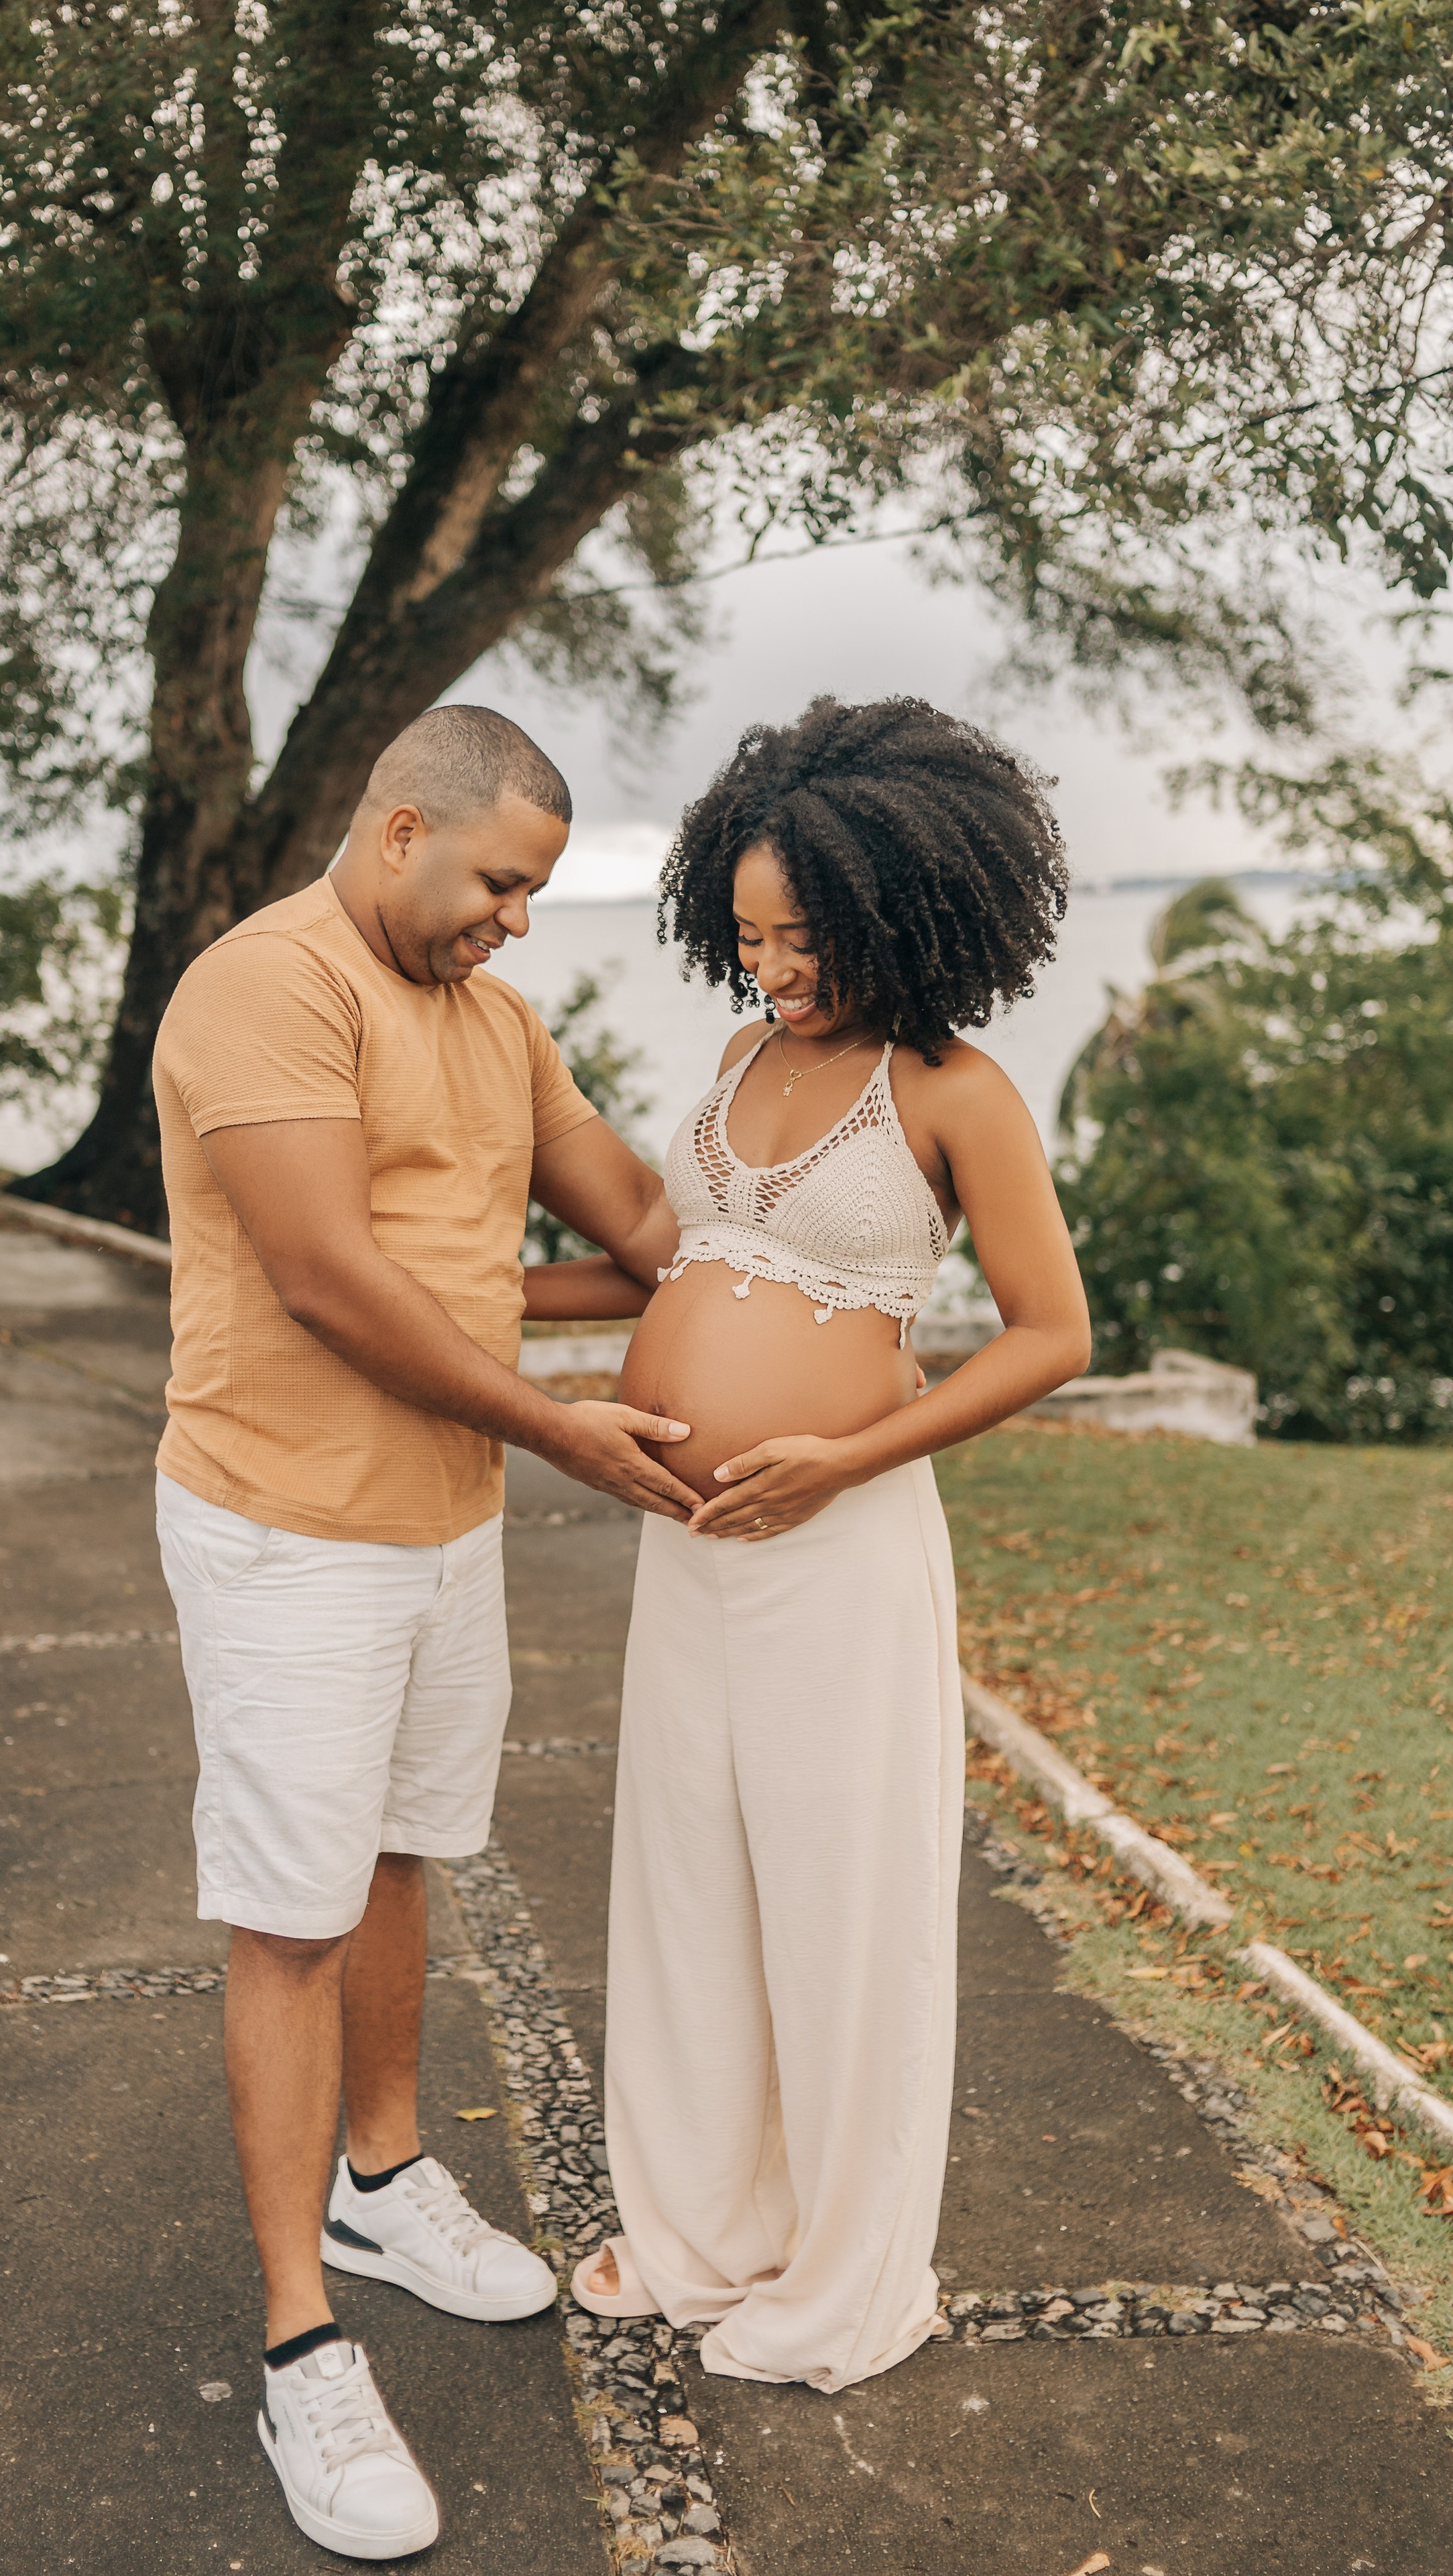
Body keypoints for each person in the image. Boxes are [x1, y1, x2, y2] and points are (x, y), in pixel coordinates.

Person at [151, 706, 699, 2559]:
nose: (518, 922)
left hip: (442, 1516)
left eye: (539, 893)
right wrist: (558, 1421)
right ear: (399, 834)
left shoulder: (499, 1022)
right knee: (290, 1911)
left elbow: (634, 1223)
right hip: (286, 1525)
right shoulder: (265, 989)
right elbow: (323, 1275)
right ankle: (304, 2342)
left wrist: (832, 1103)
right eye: (502, 883)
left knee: (399, 1855)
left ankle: (386, 2178)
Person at [524, 695, 1092, 2392]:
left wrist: (842, 1458)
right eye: (748, 934)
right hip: (687, 1553)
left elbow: (1044, 1334)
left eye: (803, 936)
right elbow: (667, 1270)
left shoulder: (951, 1091)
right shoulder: (735, 1060)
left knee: (842, 1913)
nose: (770, 966)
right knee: (687, 1886)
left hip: (835, 1556)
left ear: (903, 909)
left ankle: (844, 2274)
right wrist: (451, 1298)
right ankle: (699, 2229)